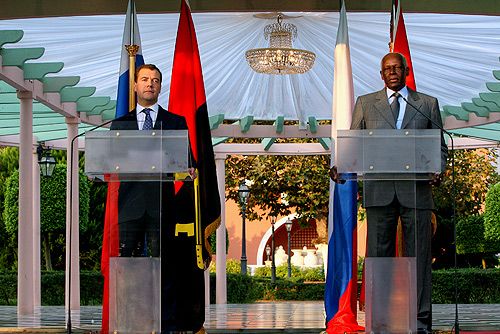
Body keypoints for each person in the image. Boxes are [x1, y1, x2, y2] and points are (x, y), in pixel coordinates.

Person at [331, 52, 447, 334]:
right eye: (387, 69)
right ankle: (379, 320)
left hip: (417, 190)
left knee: (419, 257)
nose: (392, 72)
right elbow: (354, 144)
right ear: (381, 74)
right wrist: (340, 165)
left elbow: (440, 147)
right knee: (377, 257)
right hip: (379, 190)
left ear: (406, 71)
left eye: (397, 67)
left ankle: (420, 321)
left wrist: (439, 168)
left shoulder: (426, 104)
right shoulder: (366, 104)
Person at [110, 64, 205, 333]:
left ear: (160, 86)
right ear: (136, 86)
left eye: (155, 80)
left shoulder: (175, 122)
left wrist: (190, 168)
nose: (150, 84)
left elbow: (189, 161)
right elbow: (112, 161)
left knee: (165, 268)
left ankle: (167, 326)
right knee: (128, 266)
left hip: (162, 207)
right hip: (130, 208)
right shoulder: (120, 124)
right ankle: (129, 323)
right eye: (144, 79)